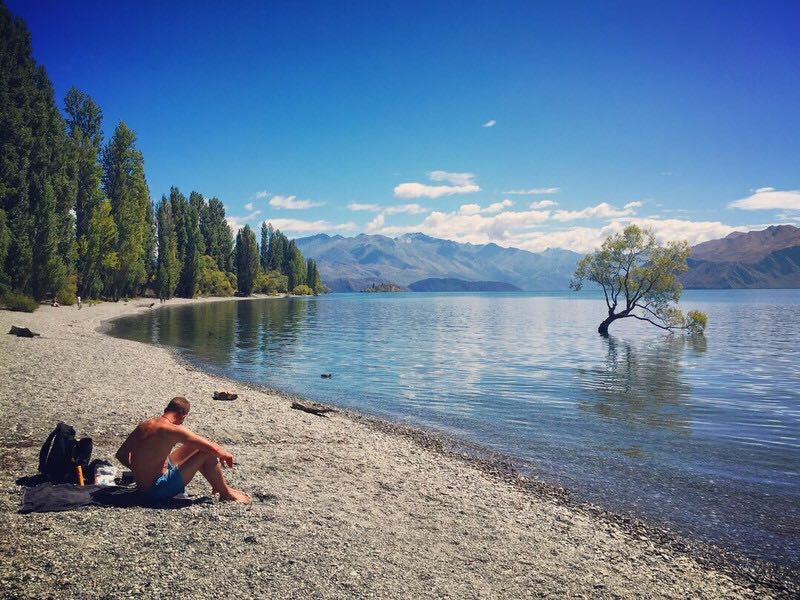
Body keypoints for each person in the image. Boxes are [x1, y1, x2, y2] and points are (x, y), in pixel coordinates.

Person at [115, 396, 250, 503]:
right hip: (156, 490)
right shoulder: (173, 430)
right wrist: (225, 455)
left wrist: (140, 470)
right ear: (183, 416)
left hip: (143, 486)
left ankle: (218, 485)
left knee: (197, 446)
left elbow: (121, 454)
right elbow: (213, 448)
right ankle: (225, 493)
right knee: (207, 452)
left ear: (166, 410)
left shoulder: (144, 425)